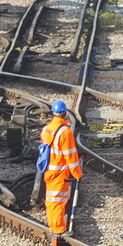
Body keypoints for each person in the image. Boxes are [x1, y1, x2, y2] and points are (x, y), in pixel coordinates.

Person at [38, 98, 84, 235]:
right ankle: (58, 229)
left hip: (48, 171)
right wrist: (77, 174)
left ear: (53, 113)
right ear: (64, 114)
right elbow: (71, 156)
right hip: (59, 173)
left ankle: (53, 226)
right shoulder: (65, 132)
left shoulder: (45, 130)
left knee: (51, 200)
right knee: (58, 201)